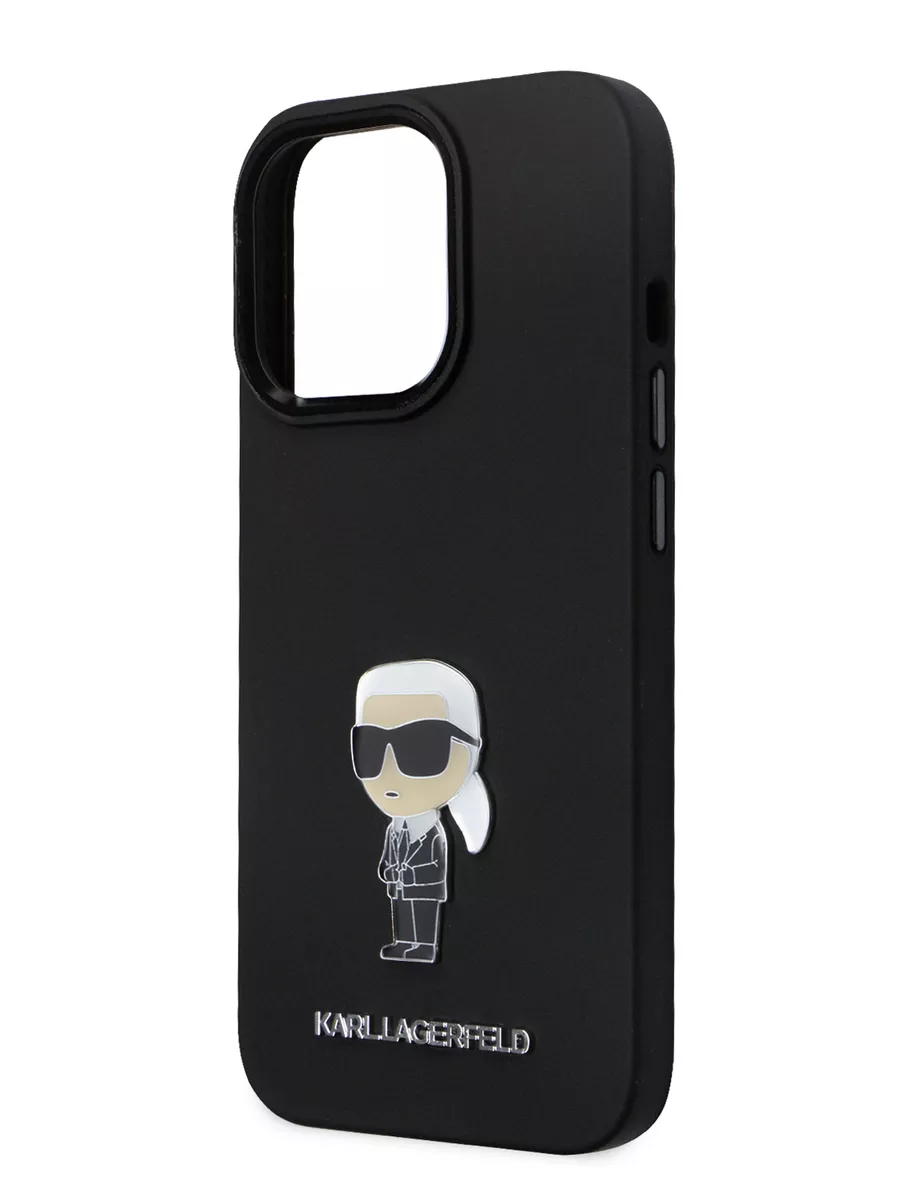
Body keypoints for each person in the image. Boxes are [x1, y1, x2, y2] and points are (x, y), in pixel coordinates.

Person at [351, 660, 491, 963]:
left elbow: (435, 864)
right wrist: (387, 869)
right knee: (402, 912)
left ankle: (424, 945)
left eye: (422, 747)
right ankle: (404, 942)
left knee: (423, 915)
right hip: (399, 885)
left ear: (469, 750)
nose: (390, 768)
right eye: (371, 747)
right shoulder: (394, 828)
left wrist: (410, 873)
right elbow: (388, 855)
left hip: (423, 887)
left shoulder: (434, 833)